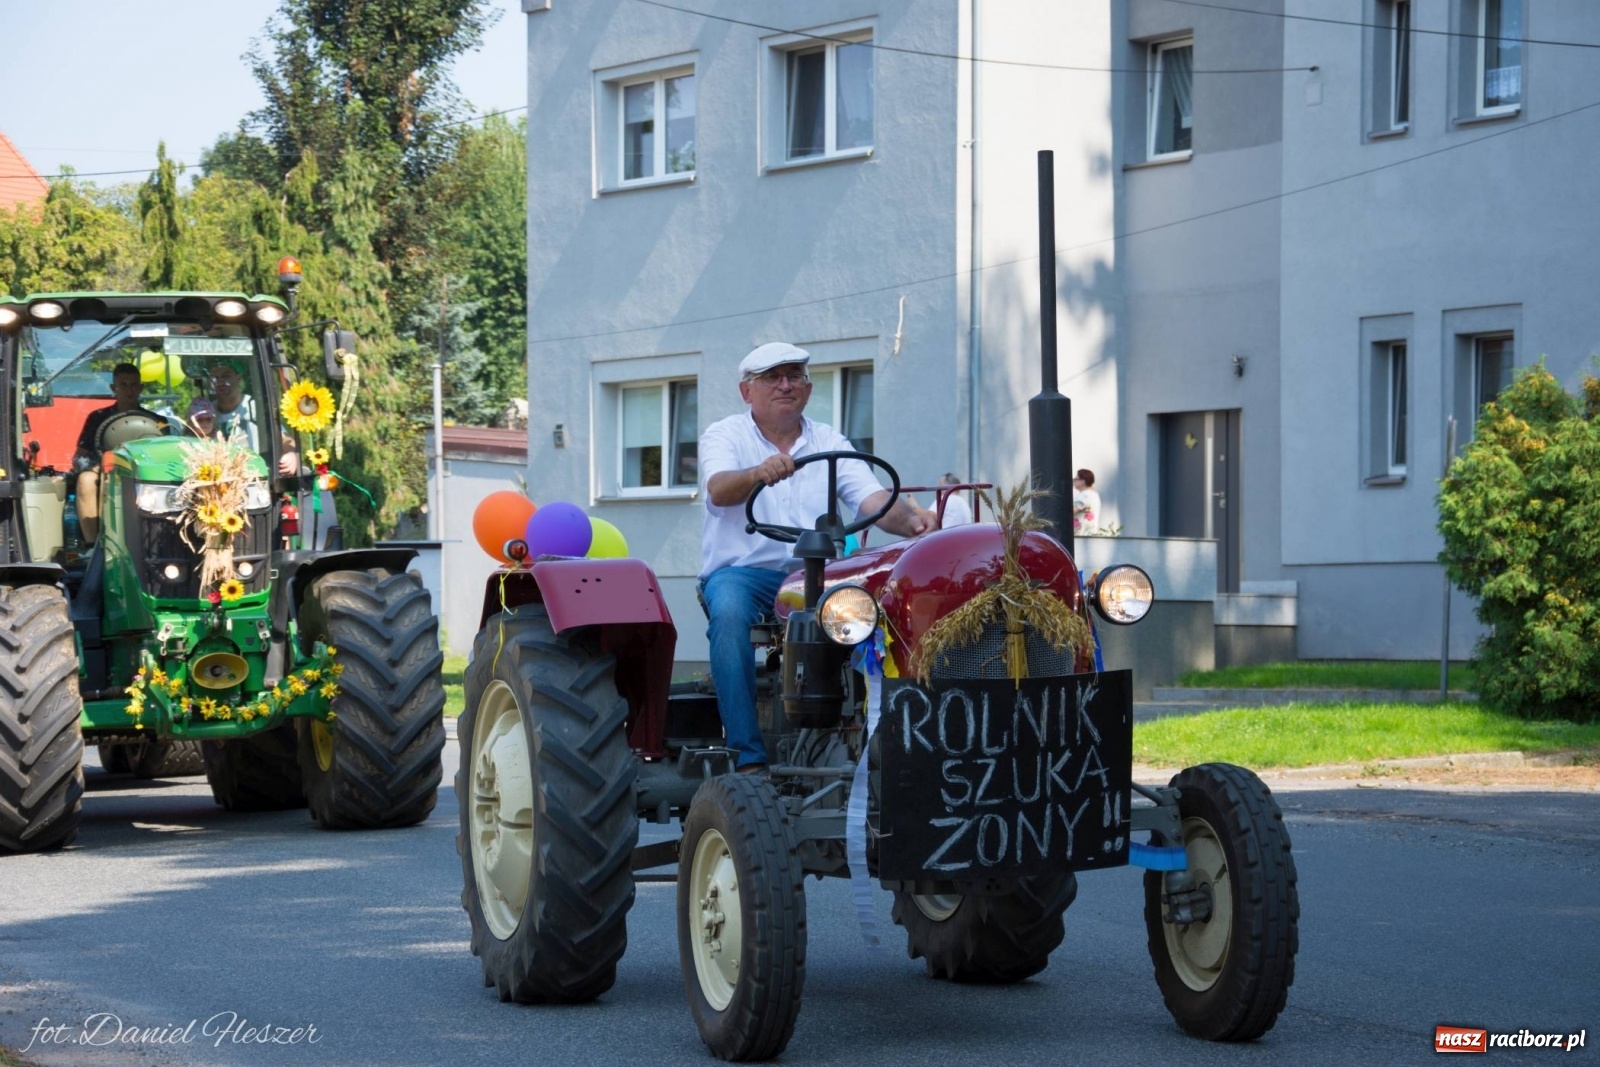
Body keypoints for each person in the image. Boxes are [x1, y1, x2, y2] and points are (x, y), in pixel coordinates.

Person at [699, 342, 932, 772]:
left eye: (794, 376)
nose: (785, 385)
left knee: (889, 605)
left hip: (818, 577)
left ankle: (891, 744)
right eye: (772, 376)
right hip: (746, 573)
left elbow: (872, 500)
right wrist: (757, 473)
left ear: (807, 389)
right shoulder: (725, 435)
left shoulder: (828, 440)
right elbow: (718, 489)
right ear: (746, 391)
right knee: (729, 613)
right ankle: (747, 756)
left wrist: (919, 523)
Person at [73, 363, 167, 544]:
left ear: (140, 388)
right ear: (113, 388)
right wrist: (95, 467)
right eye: (123, 385)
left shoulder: (158, 421)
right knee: (86, 480)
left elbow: (164, 455)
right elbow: (80, 456)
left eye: (133, 385)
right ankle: (94, 545)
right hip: (105, 471)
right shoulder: (97, 417)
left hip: (144, 475)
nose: (129, 390)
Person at [207, 359, 298, 476]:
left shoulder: (256, 407)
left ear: (238, 378)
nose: (220, 382)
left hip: (256, 478)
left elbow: (284, 439)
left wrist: (291, 454)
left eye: (226, 376)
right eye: (215, 378)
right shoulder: (207, 412)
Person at [1073, 468, 1101, 533]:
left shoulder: (1085, 495)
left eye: (1075, 479)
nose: (1074, 481)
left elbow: (1072, 510)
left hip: (1082, 534)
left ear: (1083, 481)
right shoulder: (1093, 494)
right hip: (1089, 533)